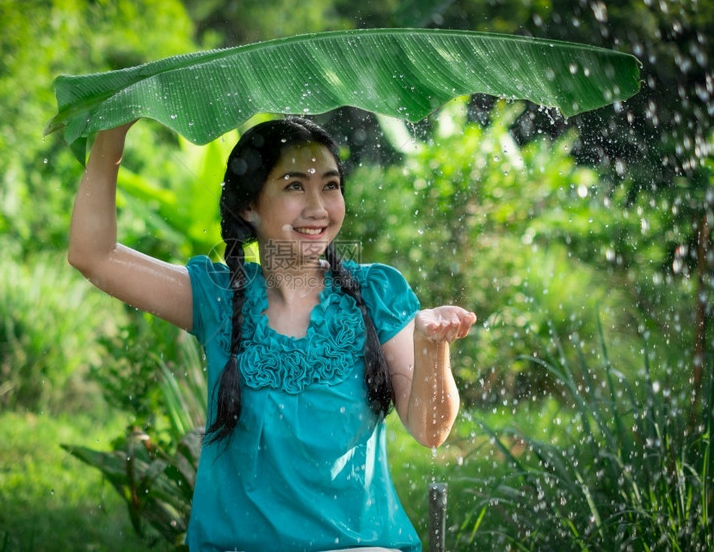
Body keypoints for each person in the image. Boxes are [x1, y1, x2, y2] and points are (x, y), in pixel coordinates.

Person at [68, 116, 477, 552]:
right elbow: (94, 255)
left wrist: (432, 346)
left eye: (331, 185)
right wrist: (113, 133)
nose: (319, 207)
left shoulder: (375, 295)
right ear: (249, 206)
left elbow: (431, 431)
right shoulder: (218, 300)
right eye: (295, 186)